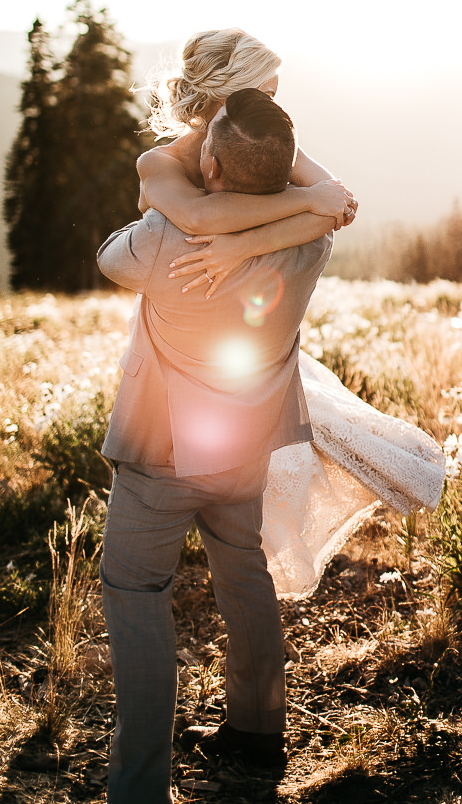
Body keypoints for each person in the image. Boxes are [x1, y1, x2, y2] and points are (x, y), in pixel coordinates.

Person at [135, 28, 445, 598]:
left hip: (249, 342)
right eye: (266, 93)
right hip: (180, 343)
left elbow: (341, 204)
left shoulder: (273, 146)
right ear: (223, 96)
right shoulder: (160, 163)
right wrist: (302, 202)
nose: (275, 109)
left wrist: (243, 244)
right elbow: (198, 219)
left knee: (241, 514)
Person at [98, 88, 336, 804]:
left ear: (210, 160)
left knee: (136, 597)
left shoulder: (162, 238)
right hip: (243, 454)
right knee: (245, 580)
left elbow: (110, 255)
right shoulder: (312, 238)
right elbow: (311, 201)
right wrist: (298, 192)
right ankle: (259, 734)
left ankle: (139, 787)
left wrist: (181, 174)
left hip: (159, 459)